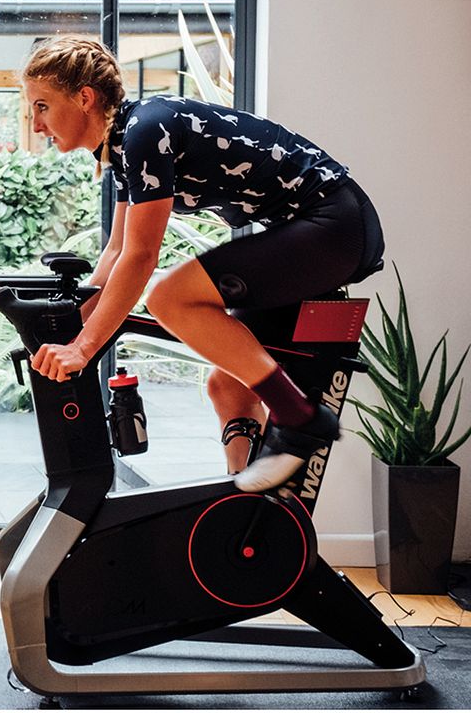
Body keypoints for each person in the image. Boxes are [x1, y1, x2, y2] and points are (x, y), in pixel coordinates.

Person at [23, 36, 384, 492]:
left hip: (333, 224)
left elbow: (140, 256)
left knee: (171, 299)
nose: (36, 124)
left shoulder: (144, 132)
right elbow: (114, 254)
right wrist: (71, 328)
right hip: (311, 230)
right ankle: (244, 503)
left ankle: (301, 418)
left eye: (41, 106)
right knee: (227, 385)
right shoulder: (123, 150)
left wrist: (83, 349)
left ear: (84, 98)